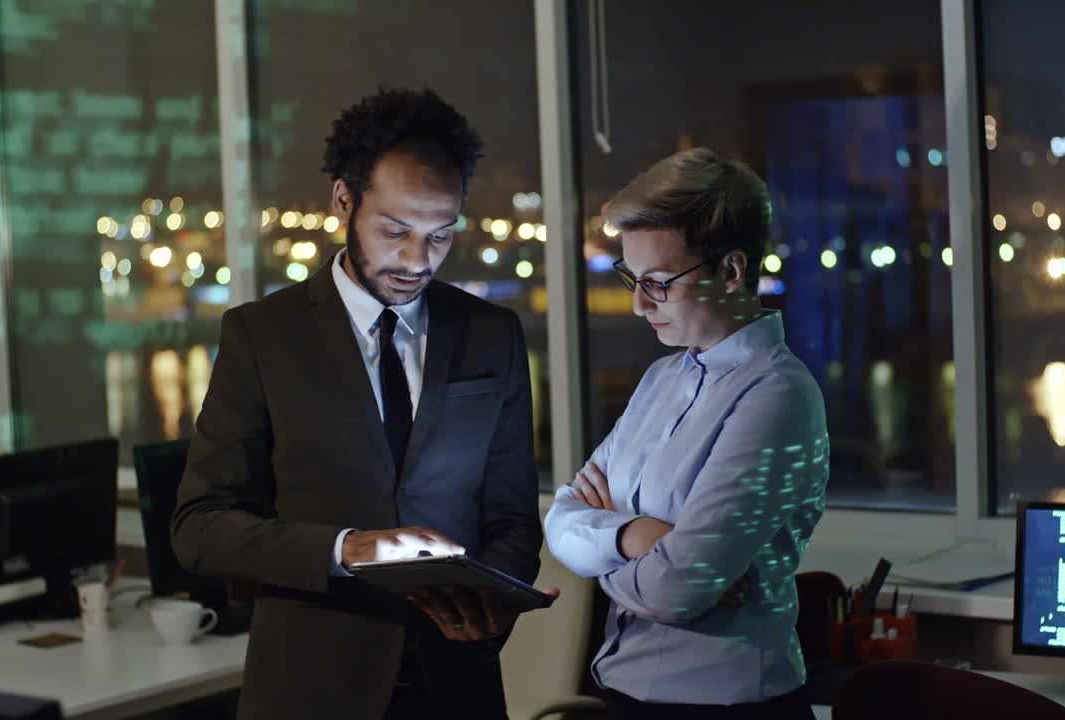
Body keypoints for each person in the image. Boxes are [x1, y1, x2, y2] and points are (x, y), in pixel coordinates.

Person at [173, 87, 547, 720]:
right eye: (395, 230)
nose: (415, 259)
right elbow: (199, 528)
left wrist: (489, 602)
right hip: (309, 691)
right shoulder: (263, 336)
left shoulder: (492, 335)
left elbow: (512, 517)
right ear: (344, 200)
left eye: (439, 235)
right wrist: (347, 549)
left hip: (456, 689)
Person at [544, 148, 828, 719]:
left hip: (727, 708)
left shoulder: (777, 394)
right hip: (624, 694)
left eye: (658, 282)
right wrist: (637, 537)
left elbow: (677, 589)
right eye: (632, 278)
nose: (637, 303)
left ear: (731, 270)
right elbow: (560, 520)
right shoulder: (661, 378)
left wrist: (603, 556)